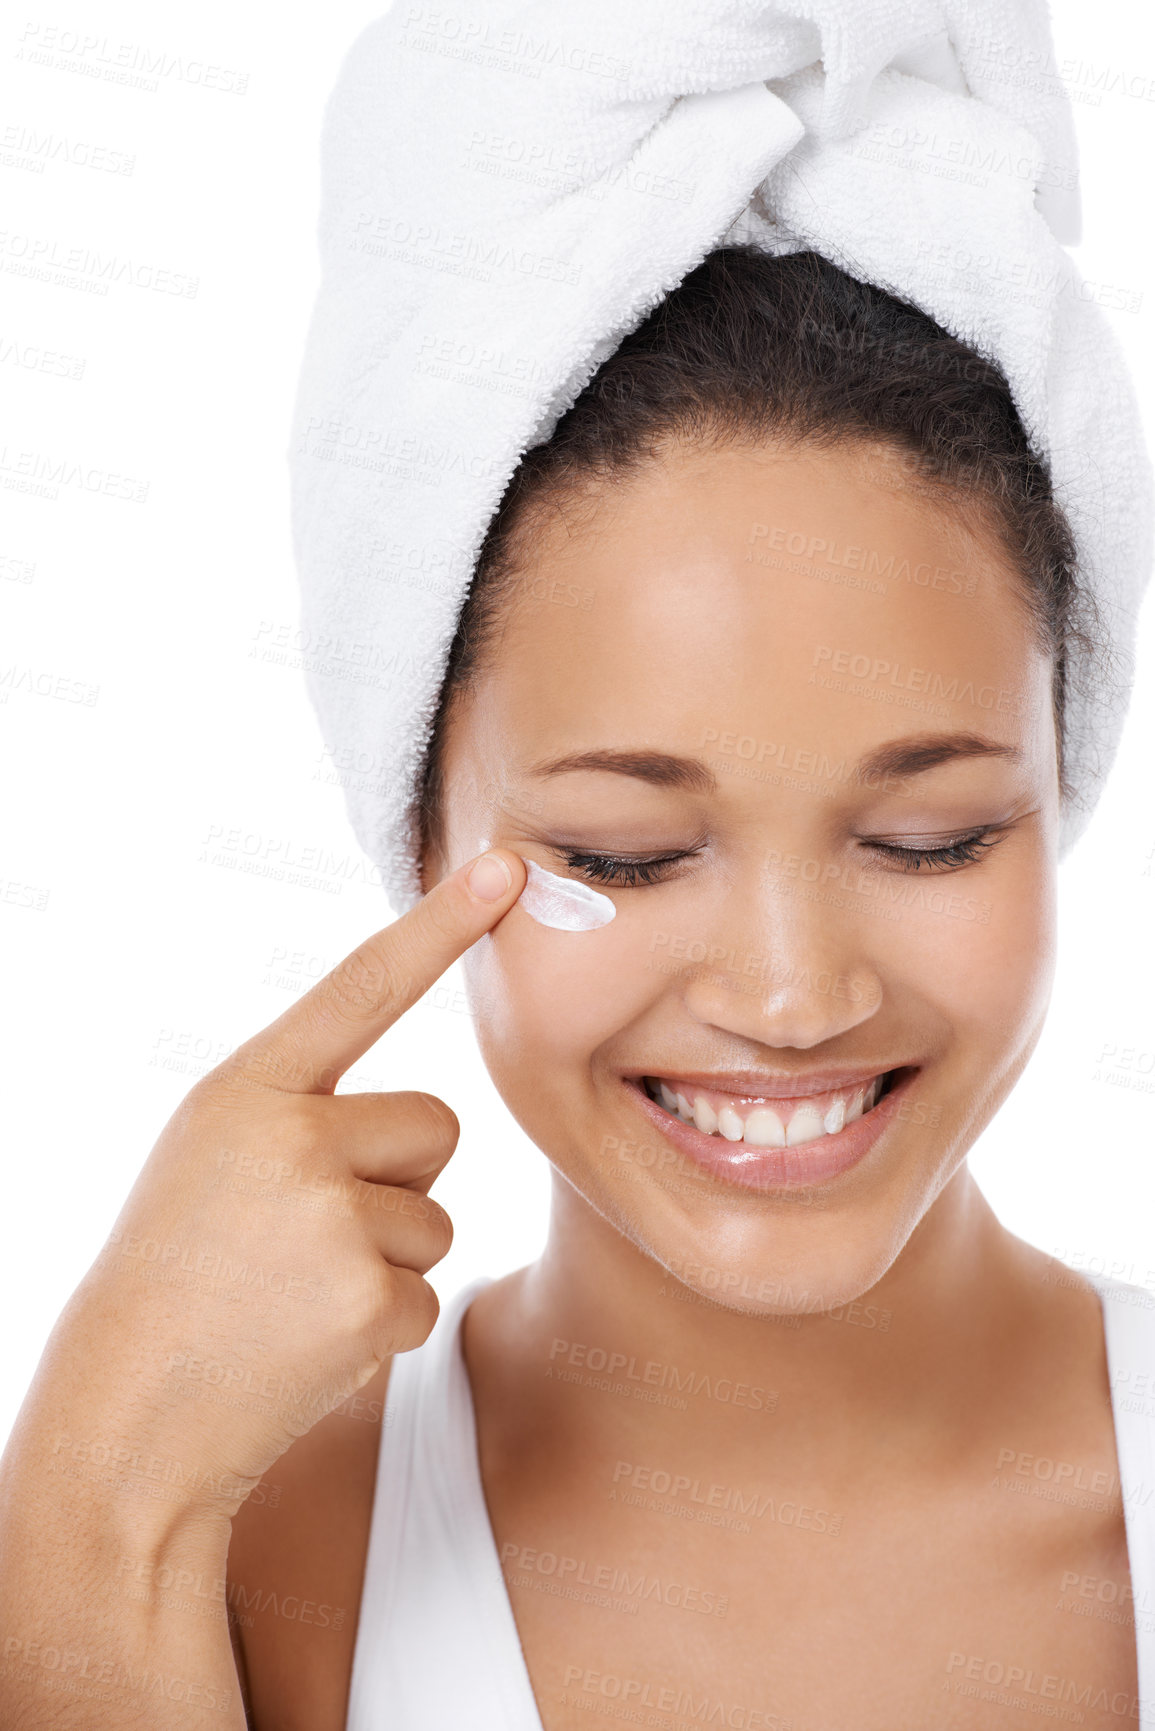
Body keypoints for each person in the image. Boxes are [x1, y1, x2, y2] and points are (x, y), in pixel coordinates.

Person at [1, 243, 1149, 1730]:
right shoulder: (250, 1551)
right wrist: (102, 1492)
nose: (794, 998)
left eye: (931, 840)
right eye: (632, 853)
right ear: (424, 834)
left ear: (1061, 799)